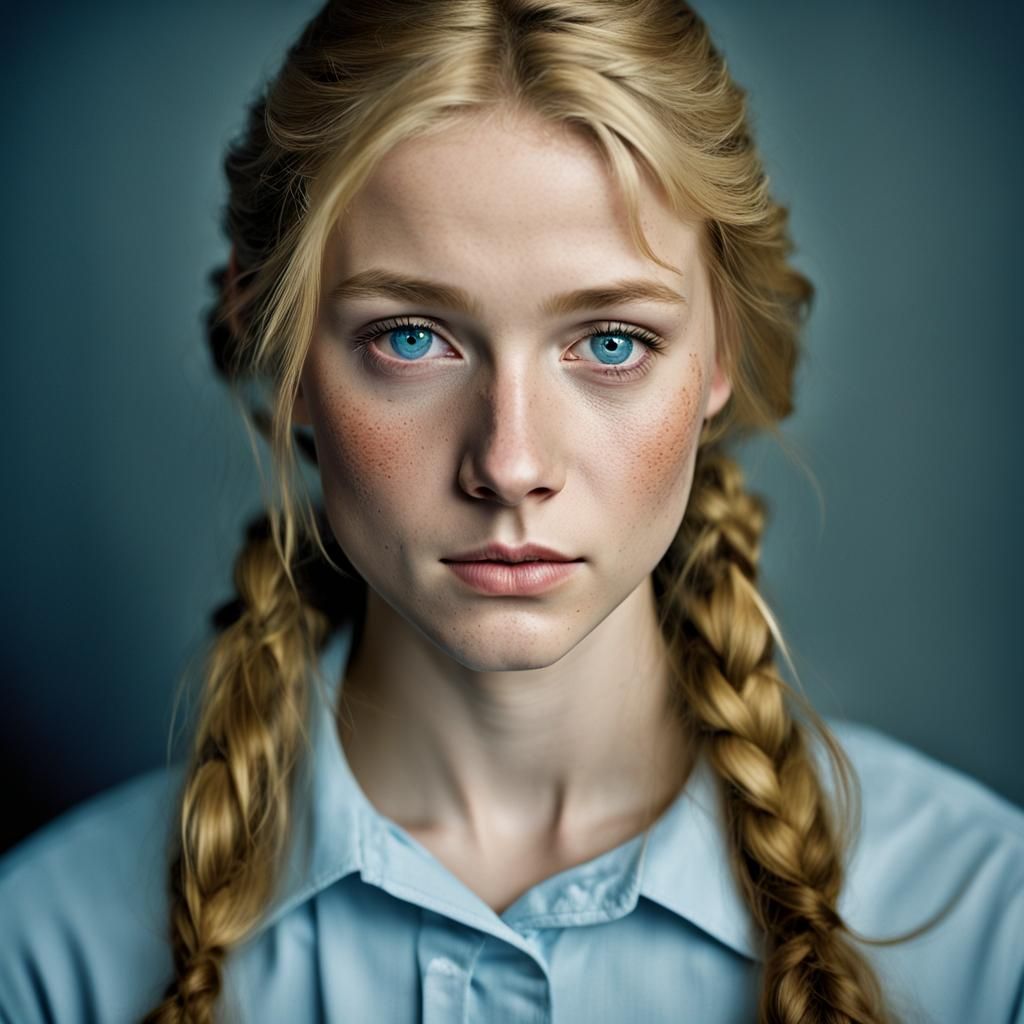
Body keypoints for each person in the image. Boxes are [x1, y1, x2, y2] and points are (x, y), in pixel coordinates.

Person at [1, 2, 1022, 1022]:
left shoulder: (984, 927)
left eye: (611, 341)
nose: (510, 462)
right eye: (410, 339)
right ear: (275, 342)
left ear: (721, 355)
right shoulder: (46, 955)